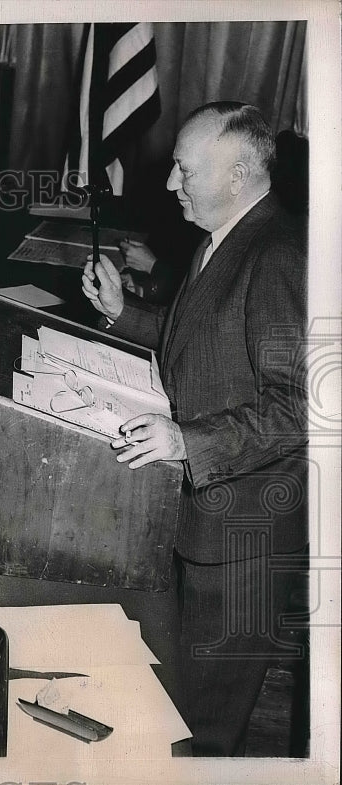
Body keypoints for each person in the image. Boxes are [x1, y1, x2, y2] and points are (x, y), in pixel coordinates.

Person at [81, 102, 308, 756]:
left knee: (203, 729)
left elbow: (298, 406)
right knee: (175, 700)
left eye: (184, 170)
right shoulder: (221, 238)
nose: (170, 184)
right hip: (201, 523)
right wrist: (124, 312)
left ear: (237, 175)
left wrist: (186, 441)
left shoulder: (278, 254)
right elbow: (194, 347)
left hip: (243, 544)